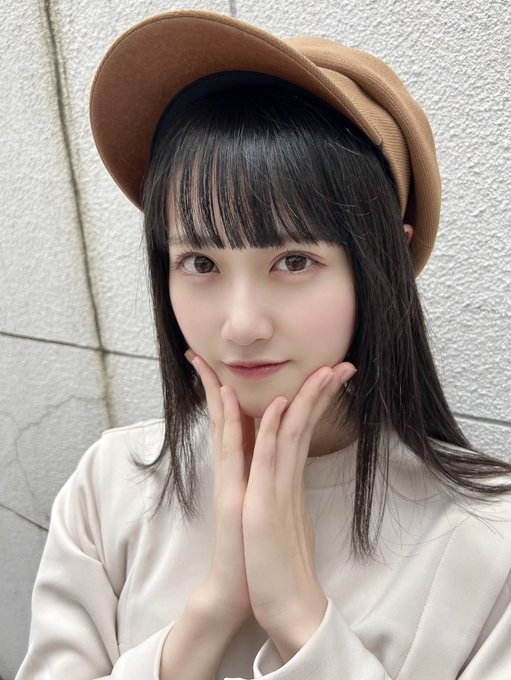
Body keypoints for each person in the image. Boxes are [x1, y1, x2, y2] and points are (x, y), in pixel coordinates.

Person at [16, 8, 511, 680]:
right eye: (199, 262)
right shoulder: (111, 483)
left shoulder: (488, 539)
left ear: (384, 266)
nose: (241, 325)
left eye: (293, 261)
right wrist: (210, 613)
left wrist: (299, 618)